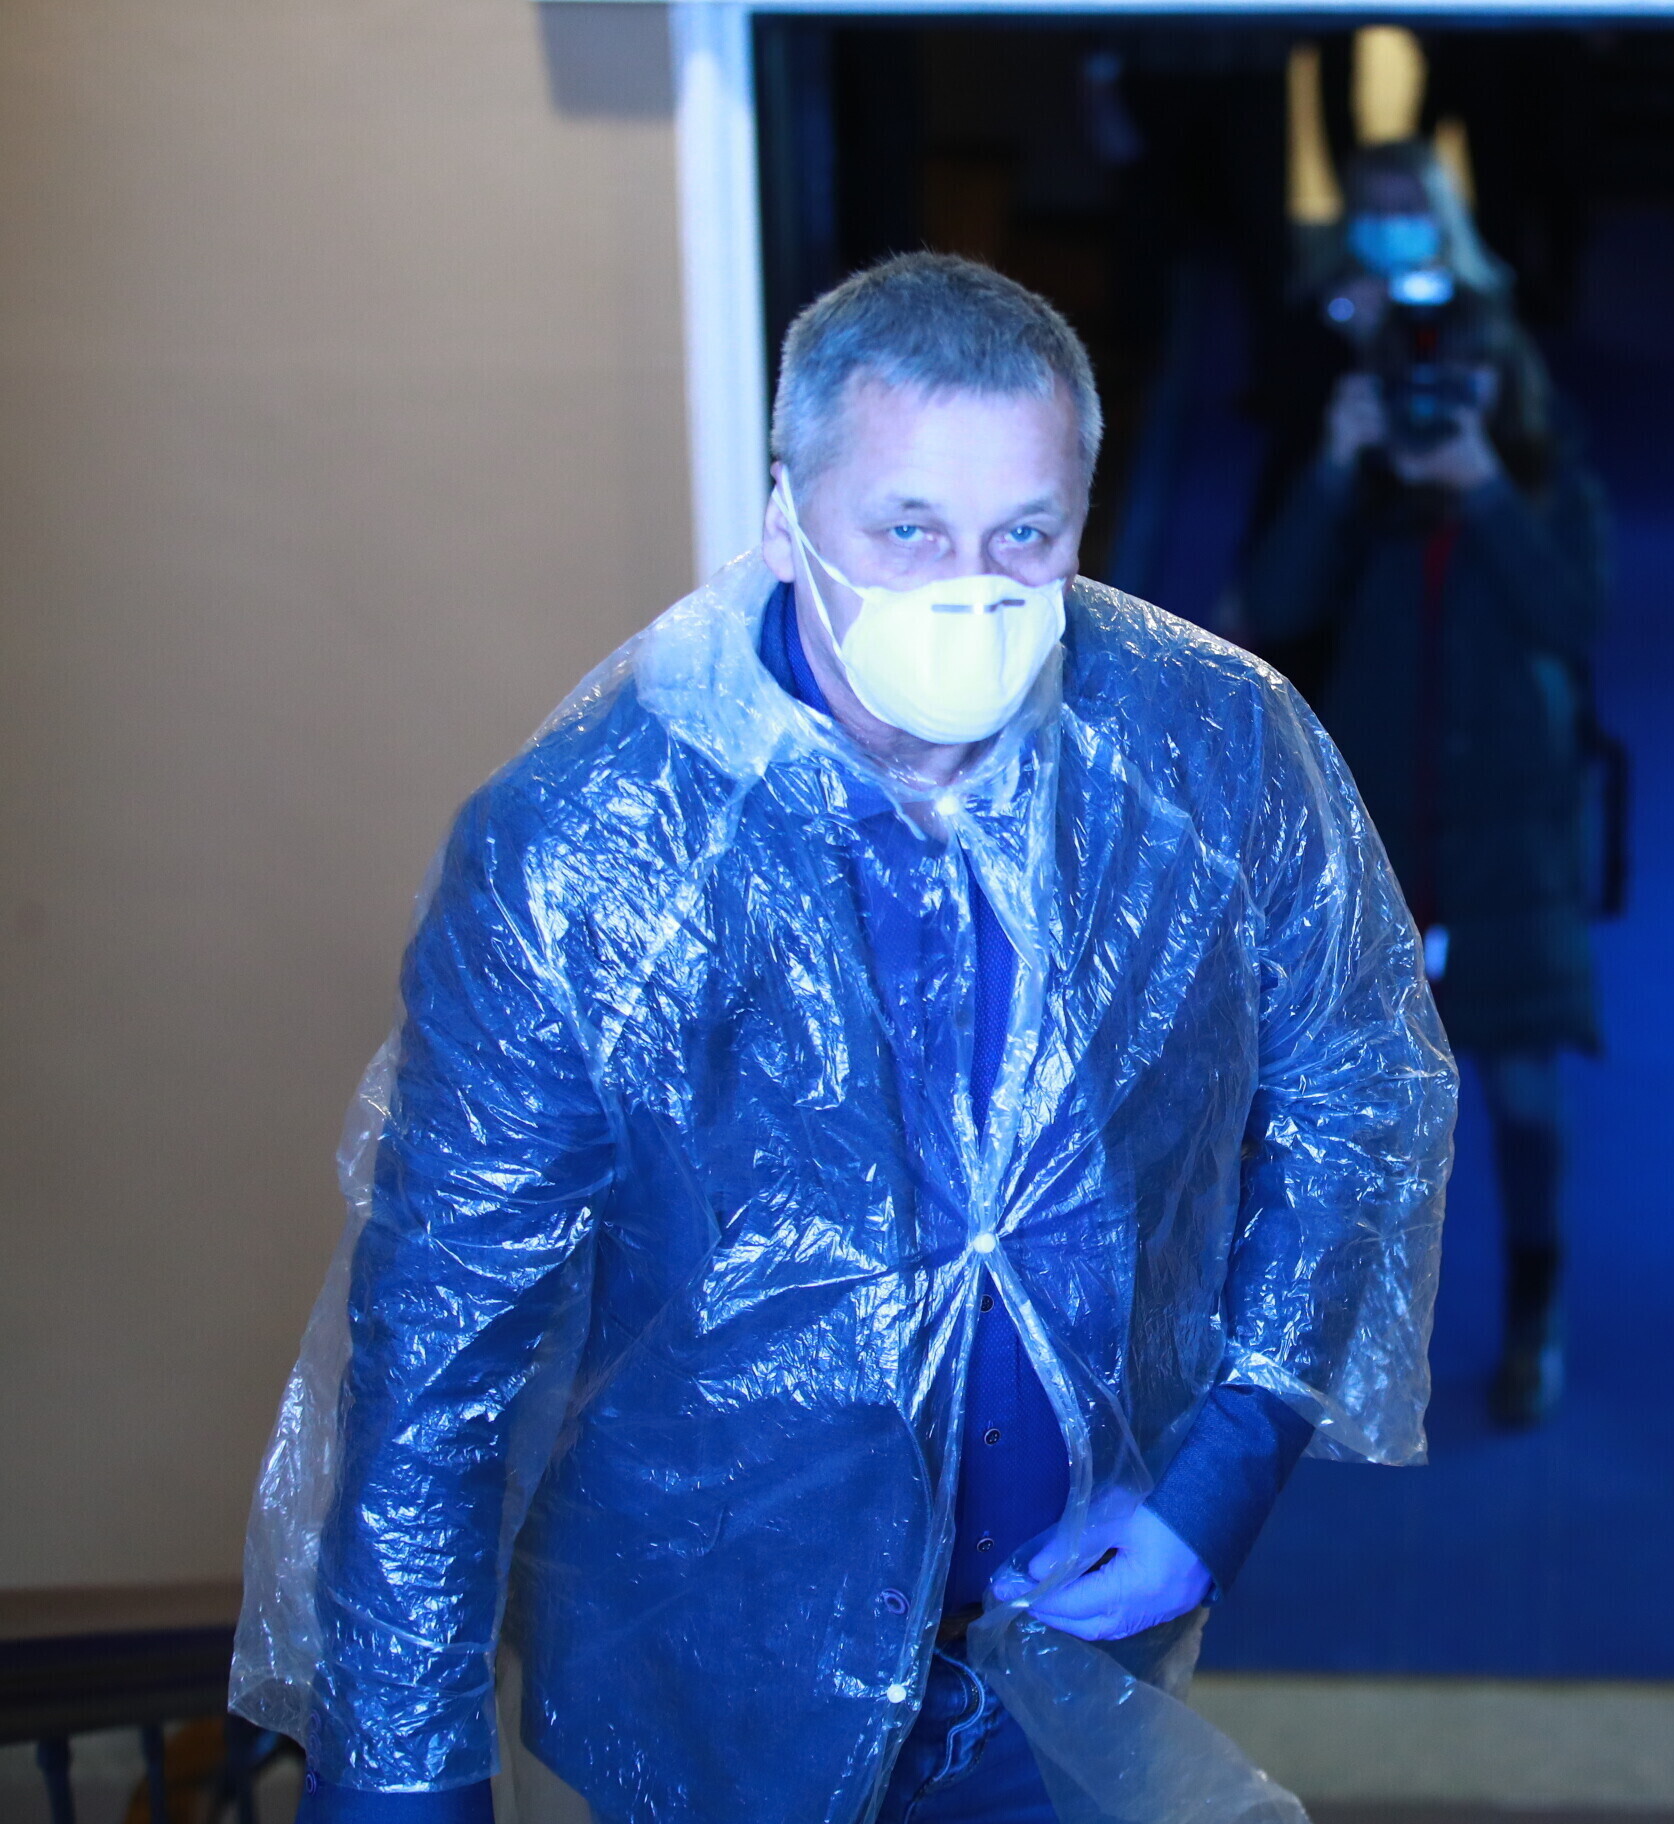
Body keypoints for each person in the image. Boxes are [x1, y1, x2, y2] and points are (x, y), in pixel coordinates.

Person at [229, 254, 1456, 1824]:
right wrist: (405, 1793)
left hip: (1066, 1658)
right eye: (908, 531)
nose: (973, 588)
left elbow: (1356, 1078)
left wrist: (1222, 1473)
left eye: (1025, 534)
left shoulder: (1209, 744)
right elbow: (442, 1352)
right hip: (709, 1692)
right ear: (786, 518)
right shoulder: (597, 847)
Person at [1239, 141, 1609, 1430]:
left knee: (1521, 1092)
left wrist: (1487, 489)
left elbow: (1572, 617)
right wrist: (1338, 464)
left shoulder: (1538, 469)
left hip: (1511, 824)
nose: (1436, 405)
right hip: (1379, 816)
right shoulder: (1348, 456)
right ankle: (1327, 1325)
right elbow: (1274, 600)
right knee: (1350, 1097)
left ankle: (1536, 1310)